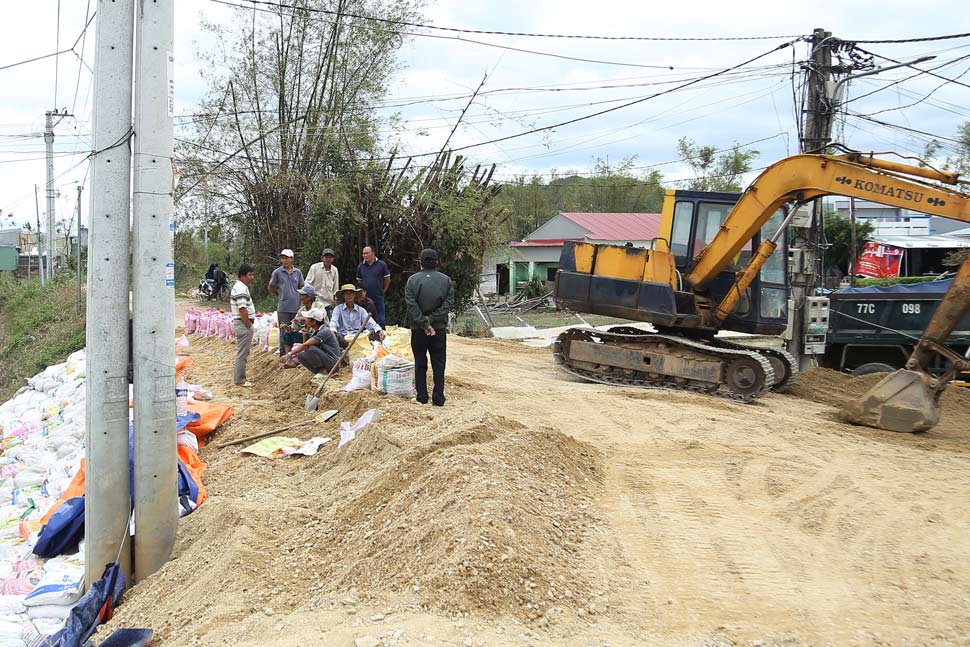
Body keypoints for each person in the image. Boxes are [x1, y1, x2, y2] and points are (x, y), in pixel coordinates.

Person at [405, 248, 455, 406]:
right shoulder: (446, 280)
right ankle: (438, 397)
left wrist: (424, 323)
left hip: (417, 329)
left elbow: (411, 305)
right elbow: (448, 304)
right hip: (438, 328)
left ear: (420, 262)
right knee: (439, 362)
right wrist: (432, 321)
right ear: (436, 262)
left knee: (420, 362)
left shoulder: (412, 281)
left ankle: (422, 396)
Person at [281, 309, 342, 374]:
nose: (305, 320)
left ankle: (324, 371)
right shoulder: (316, 331)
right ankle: (320, 371)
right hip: (327, 360)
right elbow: (305, 346)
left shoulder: (324, 331)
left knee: (311, 349)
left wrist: (289, 354)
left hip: (333, 363)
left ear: (314, 322)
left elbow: (306, 345)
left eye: (307, 319)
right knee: (301, 355)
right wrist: (305, 335)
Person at [267, 248, 304, 356]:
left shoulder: (297, 272)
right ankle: (283, 354)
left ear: (292, 259)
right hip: (283, 307)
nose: (284, 260)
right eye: (282, 258)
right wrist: (279, 295)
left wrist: (301, 303)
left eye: (286, 258)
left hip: (296, 306)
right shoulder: (277, 272)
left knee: (296, 329)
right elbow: (271, 286)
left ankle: (296, 353)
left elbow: (302, 288)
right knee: (284, 330)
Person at [330, 283, 385, 348]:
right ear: (343, 296)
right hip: (343, 338)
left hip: (358, 337)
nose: (349, 296)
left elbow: (370, 323)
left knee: (375, 334)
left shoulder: (361, 310)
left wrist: (378, 330)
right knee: (335, 337)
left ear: (354, 295)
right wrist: (333, 331)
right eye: (346, 293)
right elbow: (334, 321)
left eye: (351, 293)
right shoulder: (338, 309)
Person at [230, 264, 257, 387]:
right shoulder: (240, 289)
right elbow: (242, 309)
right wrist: (248, 325)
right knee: (243, 353)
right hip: (243, 324)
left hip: (242, 324)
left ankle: (240, 378)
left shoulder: (241, 287)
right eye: (250, 275)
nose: (252, 277)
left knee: (243, 353)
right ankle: (240, 380)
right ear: (242, 276)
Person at [280, 284, 326, 355]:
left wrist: (303, 319)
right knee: (287, 335)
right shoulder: (302, 310)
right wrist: (288, 328)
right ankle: (288, 359)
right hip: (306, 334)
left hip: (317, 334)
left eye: (302, 295)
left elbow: (321, 317)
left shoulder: (319, 305)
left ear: (309, 297)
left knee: (309, 337)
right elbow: (294, 328)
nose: (300, 297)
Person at [356, 246, 390, 327]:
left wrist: (382, 291)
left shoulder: (382, 265)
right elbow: (359, 282)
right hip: (365, 299)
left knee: (381, 320)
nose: (365, 255)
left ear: (373, 253)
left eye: (367, 253)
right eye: (363, 253)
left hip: (378, 297)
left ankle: (381, 337)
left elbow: (387, 279)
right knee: (365, 320)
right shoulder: (361, 266)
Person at [305, 248, 340, 314]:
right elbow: (307, 283)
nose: (328, 259)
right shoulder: (314, 267)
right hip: (315, 302)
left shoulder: (334, 270)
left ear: (333, 259)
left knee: (327, 323)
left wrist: (335, 300)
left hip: (328, 303)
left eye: (330, 257)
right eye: (326, 257)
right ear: (322, 258)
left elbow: (336, 287)